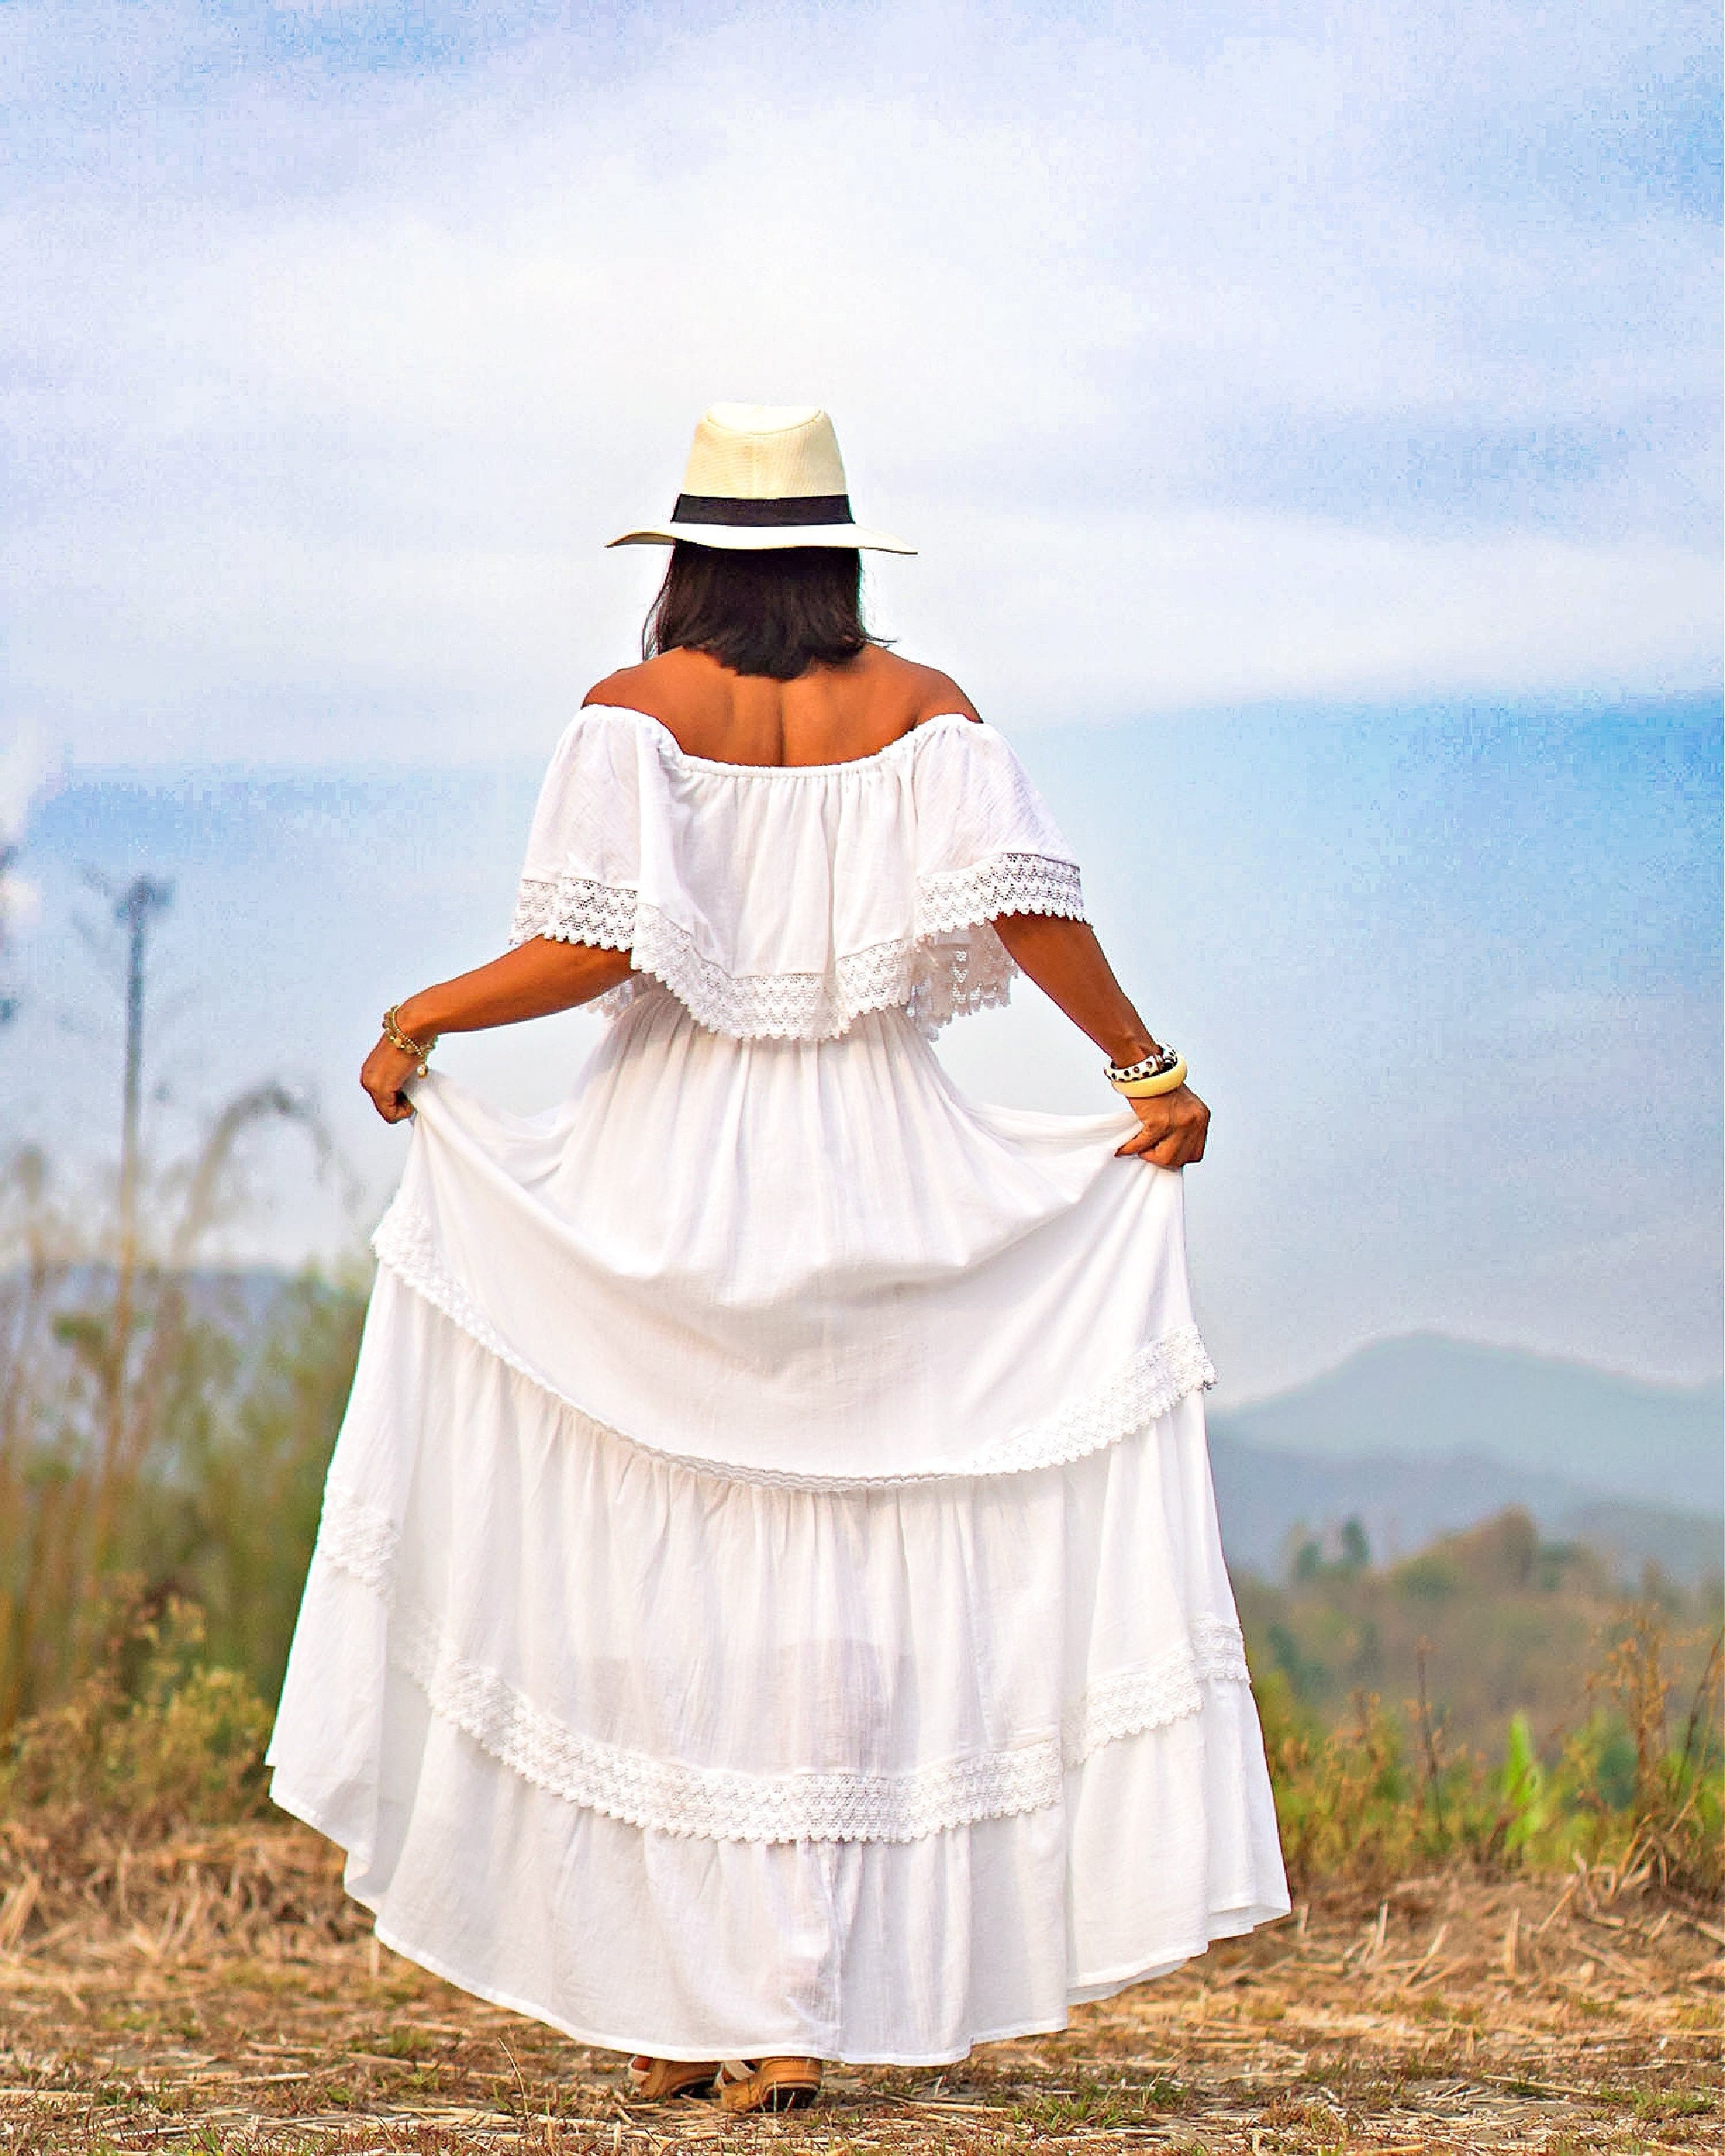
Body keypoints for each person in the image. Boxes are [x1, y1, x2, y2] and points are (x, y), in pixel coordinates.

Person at [267, 404, 1289, 2115]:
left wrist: (416, 1014)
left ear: (682, 561)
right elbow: (1031, 908)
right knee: (839, 1592)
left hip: (672, 1163)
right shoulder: (924, 711)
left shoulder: (636, 716)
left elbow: (590, 946)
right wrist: (1142, 1066)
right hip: (874, 1159)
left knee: (657, 1577)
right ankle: (786, 2001)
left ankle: (680, 2001)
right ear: (834, 553)